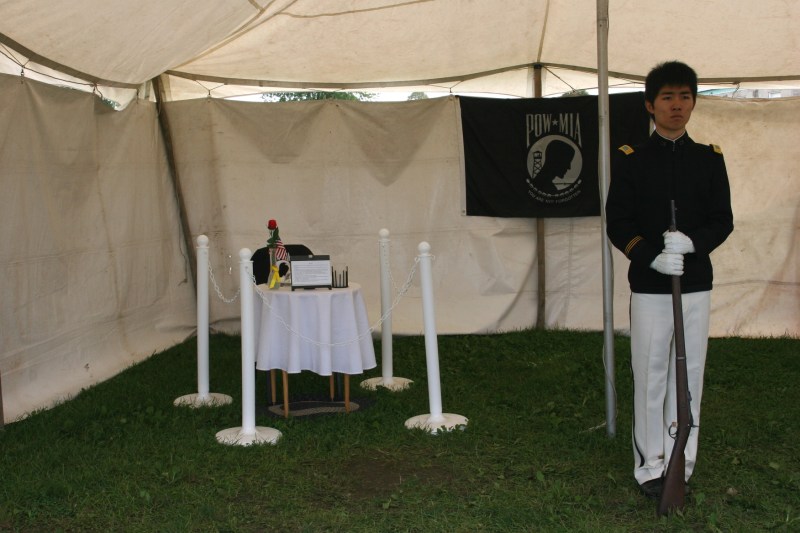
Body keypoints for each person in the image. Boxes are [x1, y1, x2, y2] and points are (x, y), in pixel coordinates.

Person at [605, 61, 733, 500]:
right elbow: (618, 223)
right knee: (651, 373)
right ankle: (650, 466)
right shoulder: (631, 160)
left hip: (696, 283)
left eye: (684, 96)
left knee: (690, 373)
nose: (676, 105)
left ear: (693, 102)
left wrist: (692, 243)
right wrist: (651, 257)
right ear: (650, 105)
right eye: (667, 97)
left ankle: (682, 460)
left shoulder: (709, 159)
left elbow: (723, 220)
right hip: (651, 285)